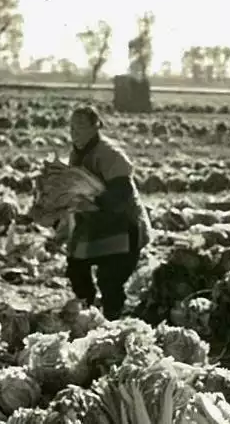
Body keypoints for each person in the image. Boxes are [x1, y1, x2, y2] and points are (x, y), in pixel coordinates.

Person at [60, 105, 151, 320]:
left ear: (96, 127)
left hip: (124, 225)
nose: (75, 133)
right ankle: (87, 311)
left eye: (81, 128)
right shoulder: (77, 154)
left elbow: (121, 195)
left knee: (109, 279)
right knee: (76, 266)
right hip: (96, 224)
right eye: (72, 128)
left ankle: (113, 320)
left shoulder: (110, 155)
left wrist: (91, 202)